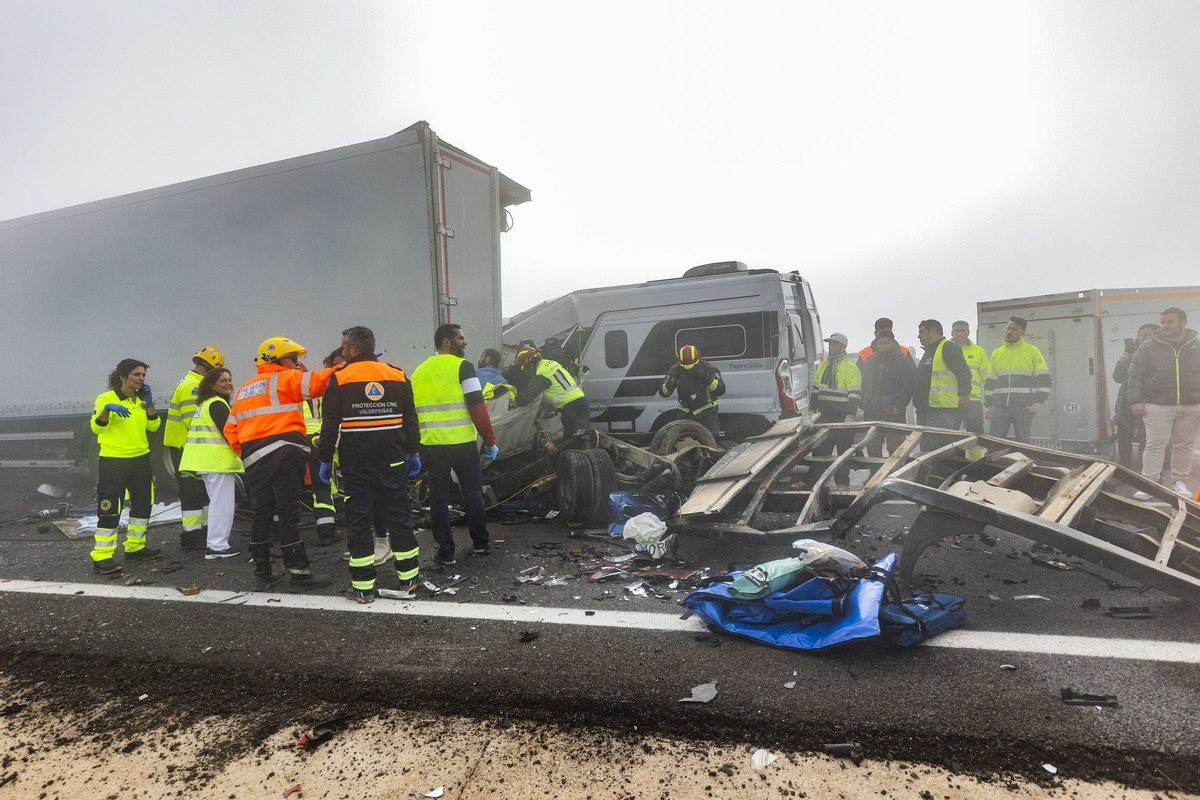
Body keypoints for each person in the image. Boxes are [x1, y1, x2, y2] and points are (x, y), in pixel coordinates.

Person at [318, 326, 422, 603]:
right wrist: (414, 452)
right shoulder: (397, 375)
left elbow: (330, 425)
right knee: (399, 517)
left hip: (357, 464)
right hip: (393, 460)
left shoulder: (339, 378)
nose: (341, 352)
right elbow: (410, 419)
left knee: (360, 521)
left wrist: (325, 459)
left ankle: (363, 586)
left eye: (343, 348)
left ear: (353, 348)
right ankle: (409, 579)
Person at [224, 337, 336, 592]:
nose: (298, 364)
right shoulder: (285, 378)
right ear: (277, 360)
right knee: (288, 515)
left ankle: (263, 574)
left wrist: (249, 454)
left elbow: (231, 430)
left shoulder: (244, 390)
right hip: (284, 455)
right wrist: (349, 365)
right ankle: (299, 574)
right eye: (294, 359)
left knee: (261, 514)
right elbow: (321, 382)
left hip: (255, 461)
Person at [411, 323, 498, 567]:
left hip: (432, 445)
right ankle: (480, 543)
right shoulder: (464, 367)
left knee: (438, 498)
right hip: (462, 444)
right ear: (446, 342)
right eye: (460, 338)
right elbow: (477, 406)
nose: (465, 342)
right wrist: (490, 441)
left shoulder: (419, 371)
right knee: (472, 495)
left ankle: (446, 553)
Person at [89, 359, 162, 574]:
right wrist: (106, 411)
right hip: (114, 461)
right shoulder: (105, 398)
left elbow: (154, 425)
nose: (141, 378)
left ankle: (135, 547)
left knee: (142, 504)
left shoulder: (141, 399)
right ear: (122, 377)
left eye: (143, 375)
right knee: (110, 507)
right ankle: (102, 557)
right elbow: (96, 428)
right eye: (136, 374)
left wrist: (149, 403)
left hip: (140, 459)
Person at [1128, 307, 1200, 496]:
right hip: (1157, 404)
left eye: (1170, 322)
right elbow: (1135, 374)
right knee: (1155, 444)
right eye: (1162, 322)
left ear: (1183, 322)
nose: (1164, 326)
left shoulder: (1197, 345)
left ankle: (1179, 483)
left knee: (1184, 445)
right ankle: (1149, 484)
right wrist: (1136, 400)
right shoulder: (1149, 346)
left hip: (1192, 404)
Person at [164, 346, 224, 551]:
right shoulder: (192, 386)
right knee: (191, 492)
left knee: (202, 491)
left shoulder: (192, 383)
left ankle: (203, 531)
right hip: (185, 447)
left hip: (189, 447)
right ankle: (190, 536)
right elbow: (194, 421)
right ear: (209, 369)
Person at [178, 367, 242, 559]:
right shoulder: (217, 404)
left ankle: (215, 544)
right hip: (216, 462)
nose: (228, 383)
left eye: (229, 379)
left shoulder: (205, 405)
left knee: (217, 503)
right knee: (222, 505)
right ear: (212, 385)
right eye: (223, 380)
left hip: (207, 462)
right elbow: (231, 434)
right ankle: (217, 546)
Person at [984, 316, 1052, 443]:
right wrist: (988, 405)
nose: (1009, 332)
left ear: (1022, 332)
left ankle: (1023, 462)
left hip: (1024, 408)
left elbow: (1044, 378)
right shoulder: (997, 353)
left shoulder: (1032, 351)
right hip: (1000, 407)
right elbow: (990, 381)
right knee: (995, 443)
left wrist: (1038, 402)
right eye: (1008, 328)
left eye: (1014, 329)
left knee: (1022, 444)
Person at [514, 347, 591, 435]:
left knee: (572, 442)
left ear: (530, 364)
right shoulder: (552, 363)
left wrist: (515, 399)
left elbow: (526, 397)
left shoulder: (542, 373)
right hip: (582, 403)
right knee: (582, 438)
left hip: (571, 408)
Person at [860, 331, 914, 456]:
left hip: (893, 413)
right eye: (880, 343)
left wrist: (898, 407)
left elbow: (907, 386)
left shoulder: (902, 361)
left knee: (896, 449)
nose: (883, 346)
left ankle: (894, 474)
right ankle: (875, 474)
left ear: (893, 343)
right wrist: (865, 404)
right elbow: (865, 385)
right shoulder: (870, 361)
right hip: (873, 413)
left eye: (886, 343)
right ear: (876, 344)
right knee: (873, 448)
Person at [1112, 323, 1158, 470]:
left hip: (1149, 401)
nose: (1143, 338)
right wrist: (1121, 362)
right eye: (1141, 334)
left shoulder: (1160, 353)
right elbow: (1118, 378)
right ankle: (1124, 469)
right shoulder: (1130, 352)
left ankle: (1147, 471)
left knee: (1147, 438)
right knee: (1124, 437)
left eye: (1148, 334)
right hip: (1127, 402)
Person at [657, 344, 726, 439]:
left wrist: (705, 377)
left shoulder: (709, 368)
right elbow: (663, 393)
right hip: (685, 414)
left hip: (707, 414)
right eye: (685, 367)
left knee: (713, 442)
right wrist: (673, 379)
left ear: (698, 359)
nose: (689, 370)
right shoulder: (675, 370)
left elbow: (720, 390)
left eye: (692, 367)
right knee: (681, 443)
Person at [913, 320, 972, 430]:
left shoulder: (948, 347)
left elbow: (964, 373)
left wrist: (964, 395)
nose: (918, 336)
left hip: (941, 411)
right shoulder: (929, 351)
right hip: (924, 409)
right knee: (927, 446)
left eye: (921, 332)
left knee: (940, 445)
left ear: (933, 331)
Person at [811, 333, 862, 462]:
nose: (831, 347)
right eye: (830, 344)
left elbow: (854, 395)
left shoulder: (851, 368)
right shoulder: (823, 366)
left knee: (843, 453)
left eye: (834, 344)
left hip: (842, 417)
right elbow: (815, 391)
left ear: (843, 346)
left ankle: (842, 482)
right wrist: (811, 411)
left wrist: (850, 416)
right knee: (820, 450)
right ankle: (814, 479)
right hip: (824, 416)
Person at [949, 321, 989, 434]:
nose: (960, 333)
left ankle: (975, 453)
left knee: (976, 438)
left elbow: (986, 377)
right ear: (952, 333)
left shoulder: (978, 351)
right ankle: (954, 453)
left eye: (963, 331)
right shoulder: (944, 349)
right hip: (951, 401)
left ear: (968, 332)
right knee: (950, 438)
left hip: (973, 401)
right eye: (957, 331)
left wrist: (990, 402)